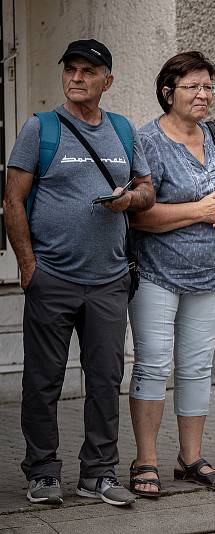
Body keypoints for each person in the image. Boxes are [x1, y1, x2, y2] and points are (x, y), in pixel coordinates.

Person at [3, 39, 154, 506]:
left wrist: (129, 200)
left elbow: (146, 189)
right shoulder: (40, 129)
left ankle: (99, 473)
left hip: (109, 280)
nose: (77, 78)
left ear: (107, 80)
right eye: (70, 69)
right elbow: (13, 202)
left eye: (88, 71)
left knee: (106, 379)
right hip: (54, 278)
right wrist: (29, 267)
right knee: (43, 381)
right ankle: (43, 471)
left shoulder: (124, 131)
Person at [126, 51, 215, 498]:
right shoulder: (145, 140)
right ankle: (145, 460)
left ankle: (190, 458)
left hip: (210, 274)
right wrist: (201, 210)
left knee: (197, 368)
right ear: (168, 91)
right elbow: (139, 216)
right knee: (153, 365)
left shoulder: (214, 134)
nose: (203, 94)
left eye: (208, 86)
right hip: (157, 273)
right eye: (192, 86)